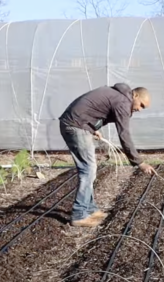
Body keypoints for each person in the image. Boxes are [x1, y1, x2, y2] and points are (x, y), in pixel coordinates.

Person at [59, 82, 157, 227]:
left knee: (90, 169)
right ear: (135, 95)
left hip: (78, 124)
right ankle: (79, 215)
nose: (140, 109)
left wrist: (92, 128)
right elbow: (124, 135)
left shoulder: (118, 96)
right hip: (75, 125)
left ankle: (90, 209)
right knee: (88, 169)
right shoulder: (123, 101)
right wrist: (139, 163)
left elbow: (91, 109)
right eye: (141, 105)